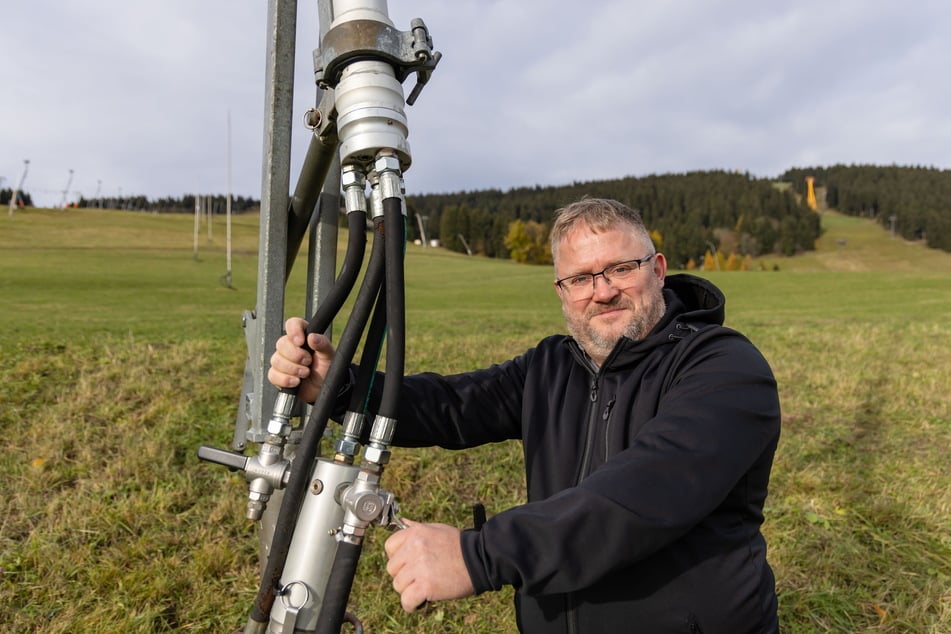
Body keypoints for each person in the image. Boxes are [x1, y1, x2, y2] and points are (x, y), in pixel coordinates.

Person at [269, 197, 781, 633]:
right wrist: (339, 389)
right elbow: (451, 407)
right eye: (580, 278)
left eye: (620, 268)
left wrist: (480, 556)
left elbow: (646, 491)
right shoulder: (553, 364)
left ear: (658, 269)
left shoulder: (724, 368)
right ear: (562, 292)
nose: (602, 291)